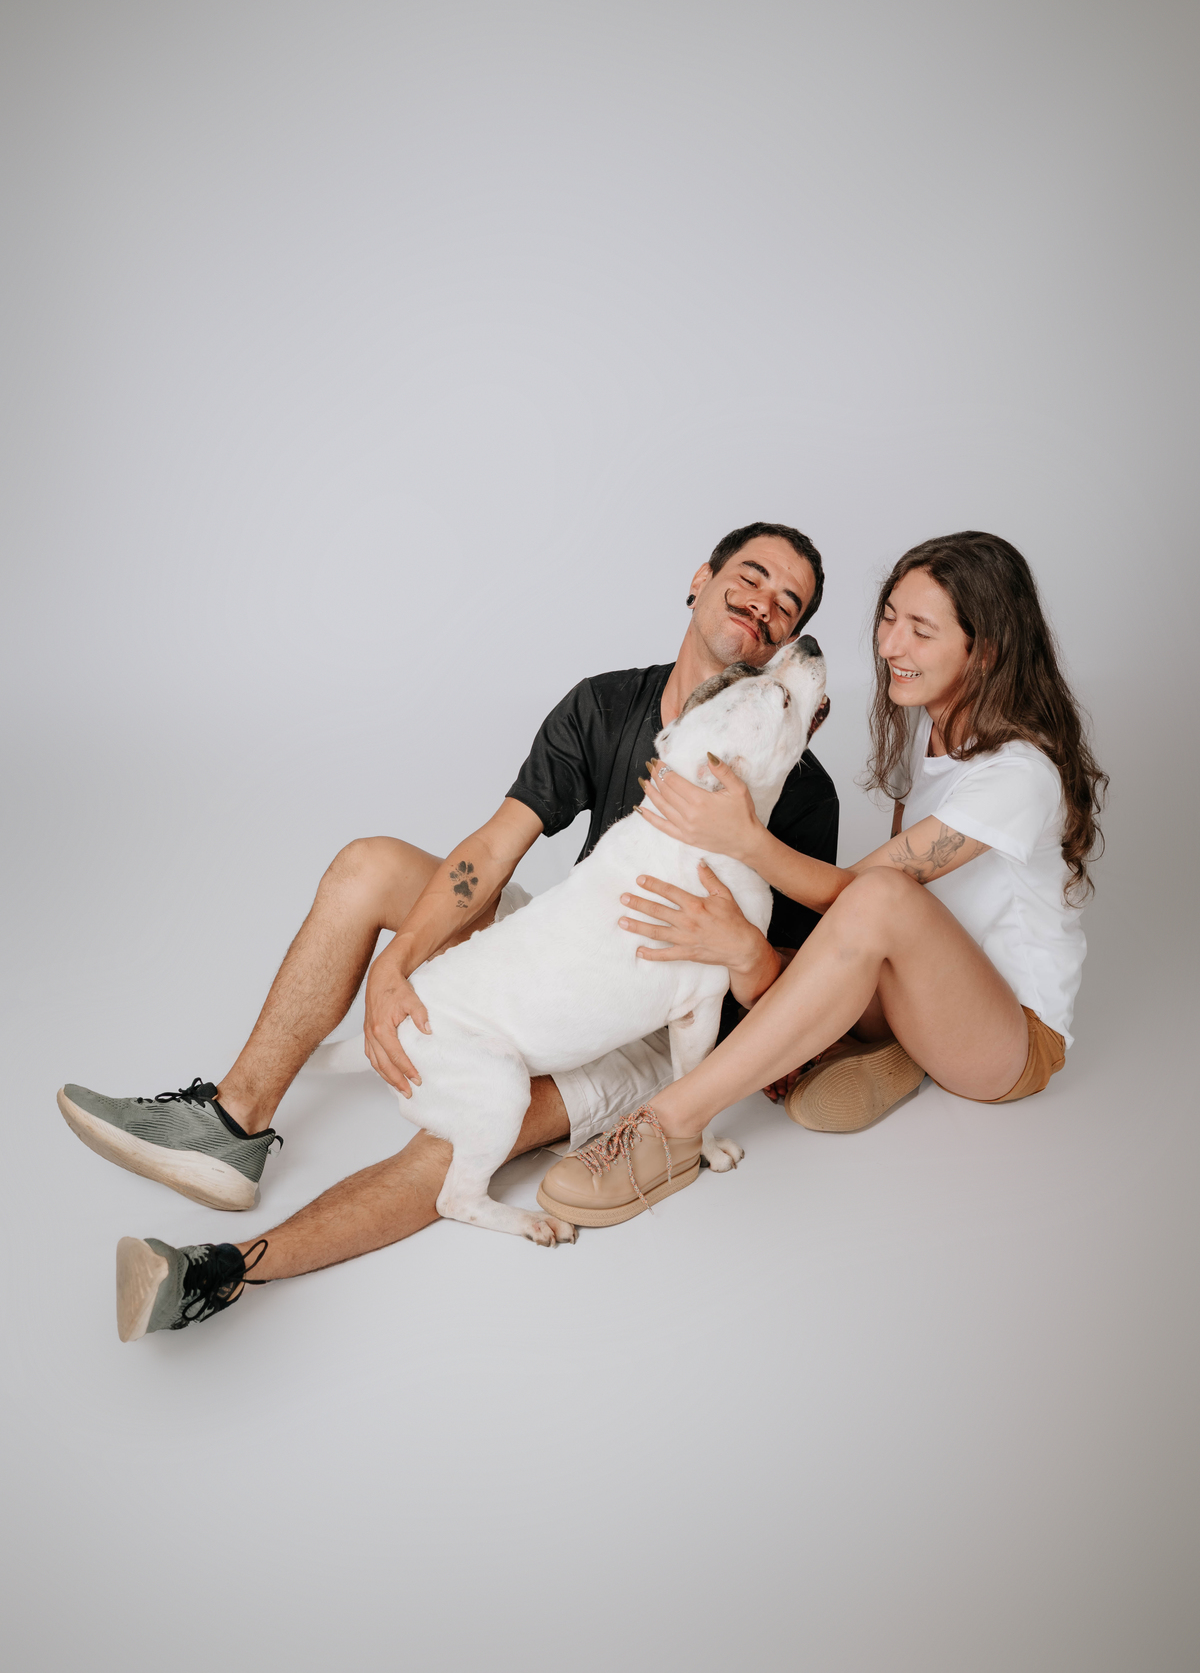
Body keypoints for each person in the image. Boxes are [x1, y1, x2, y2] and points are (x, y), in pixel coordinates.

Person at [60, 522, 840, 1337]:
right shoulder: (608, 704)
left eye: (789, 604)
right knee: (368, 865)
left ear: (786, 640)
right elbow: (495, 850)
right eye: (752, 576)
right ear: (702, 578)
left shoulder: (800, 788)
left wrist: (742, 946)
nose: (765, 604)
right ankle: (231, 1121)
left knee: (460, 1137)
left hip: (639, 1030)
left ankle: (220, 1270)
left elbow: (794, 1004)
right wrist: (397, 964)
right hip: (569, 948)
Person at [536, 530, 1108, 1228]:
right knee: (754, 959)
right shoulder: (932, 732)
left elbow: (865, 895)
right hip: (911, 992)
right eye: (889, 618)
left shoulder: (1018, 775)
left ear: (985, 651)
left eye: (920, 630)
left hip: (1009, 1039)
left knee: (875, 901)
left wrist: (745, 839)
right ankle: (891, 1050)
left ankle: (672, 1123)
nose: (890, 645)